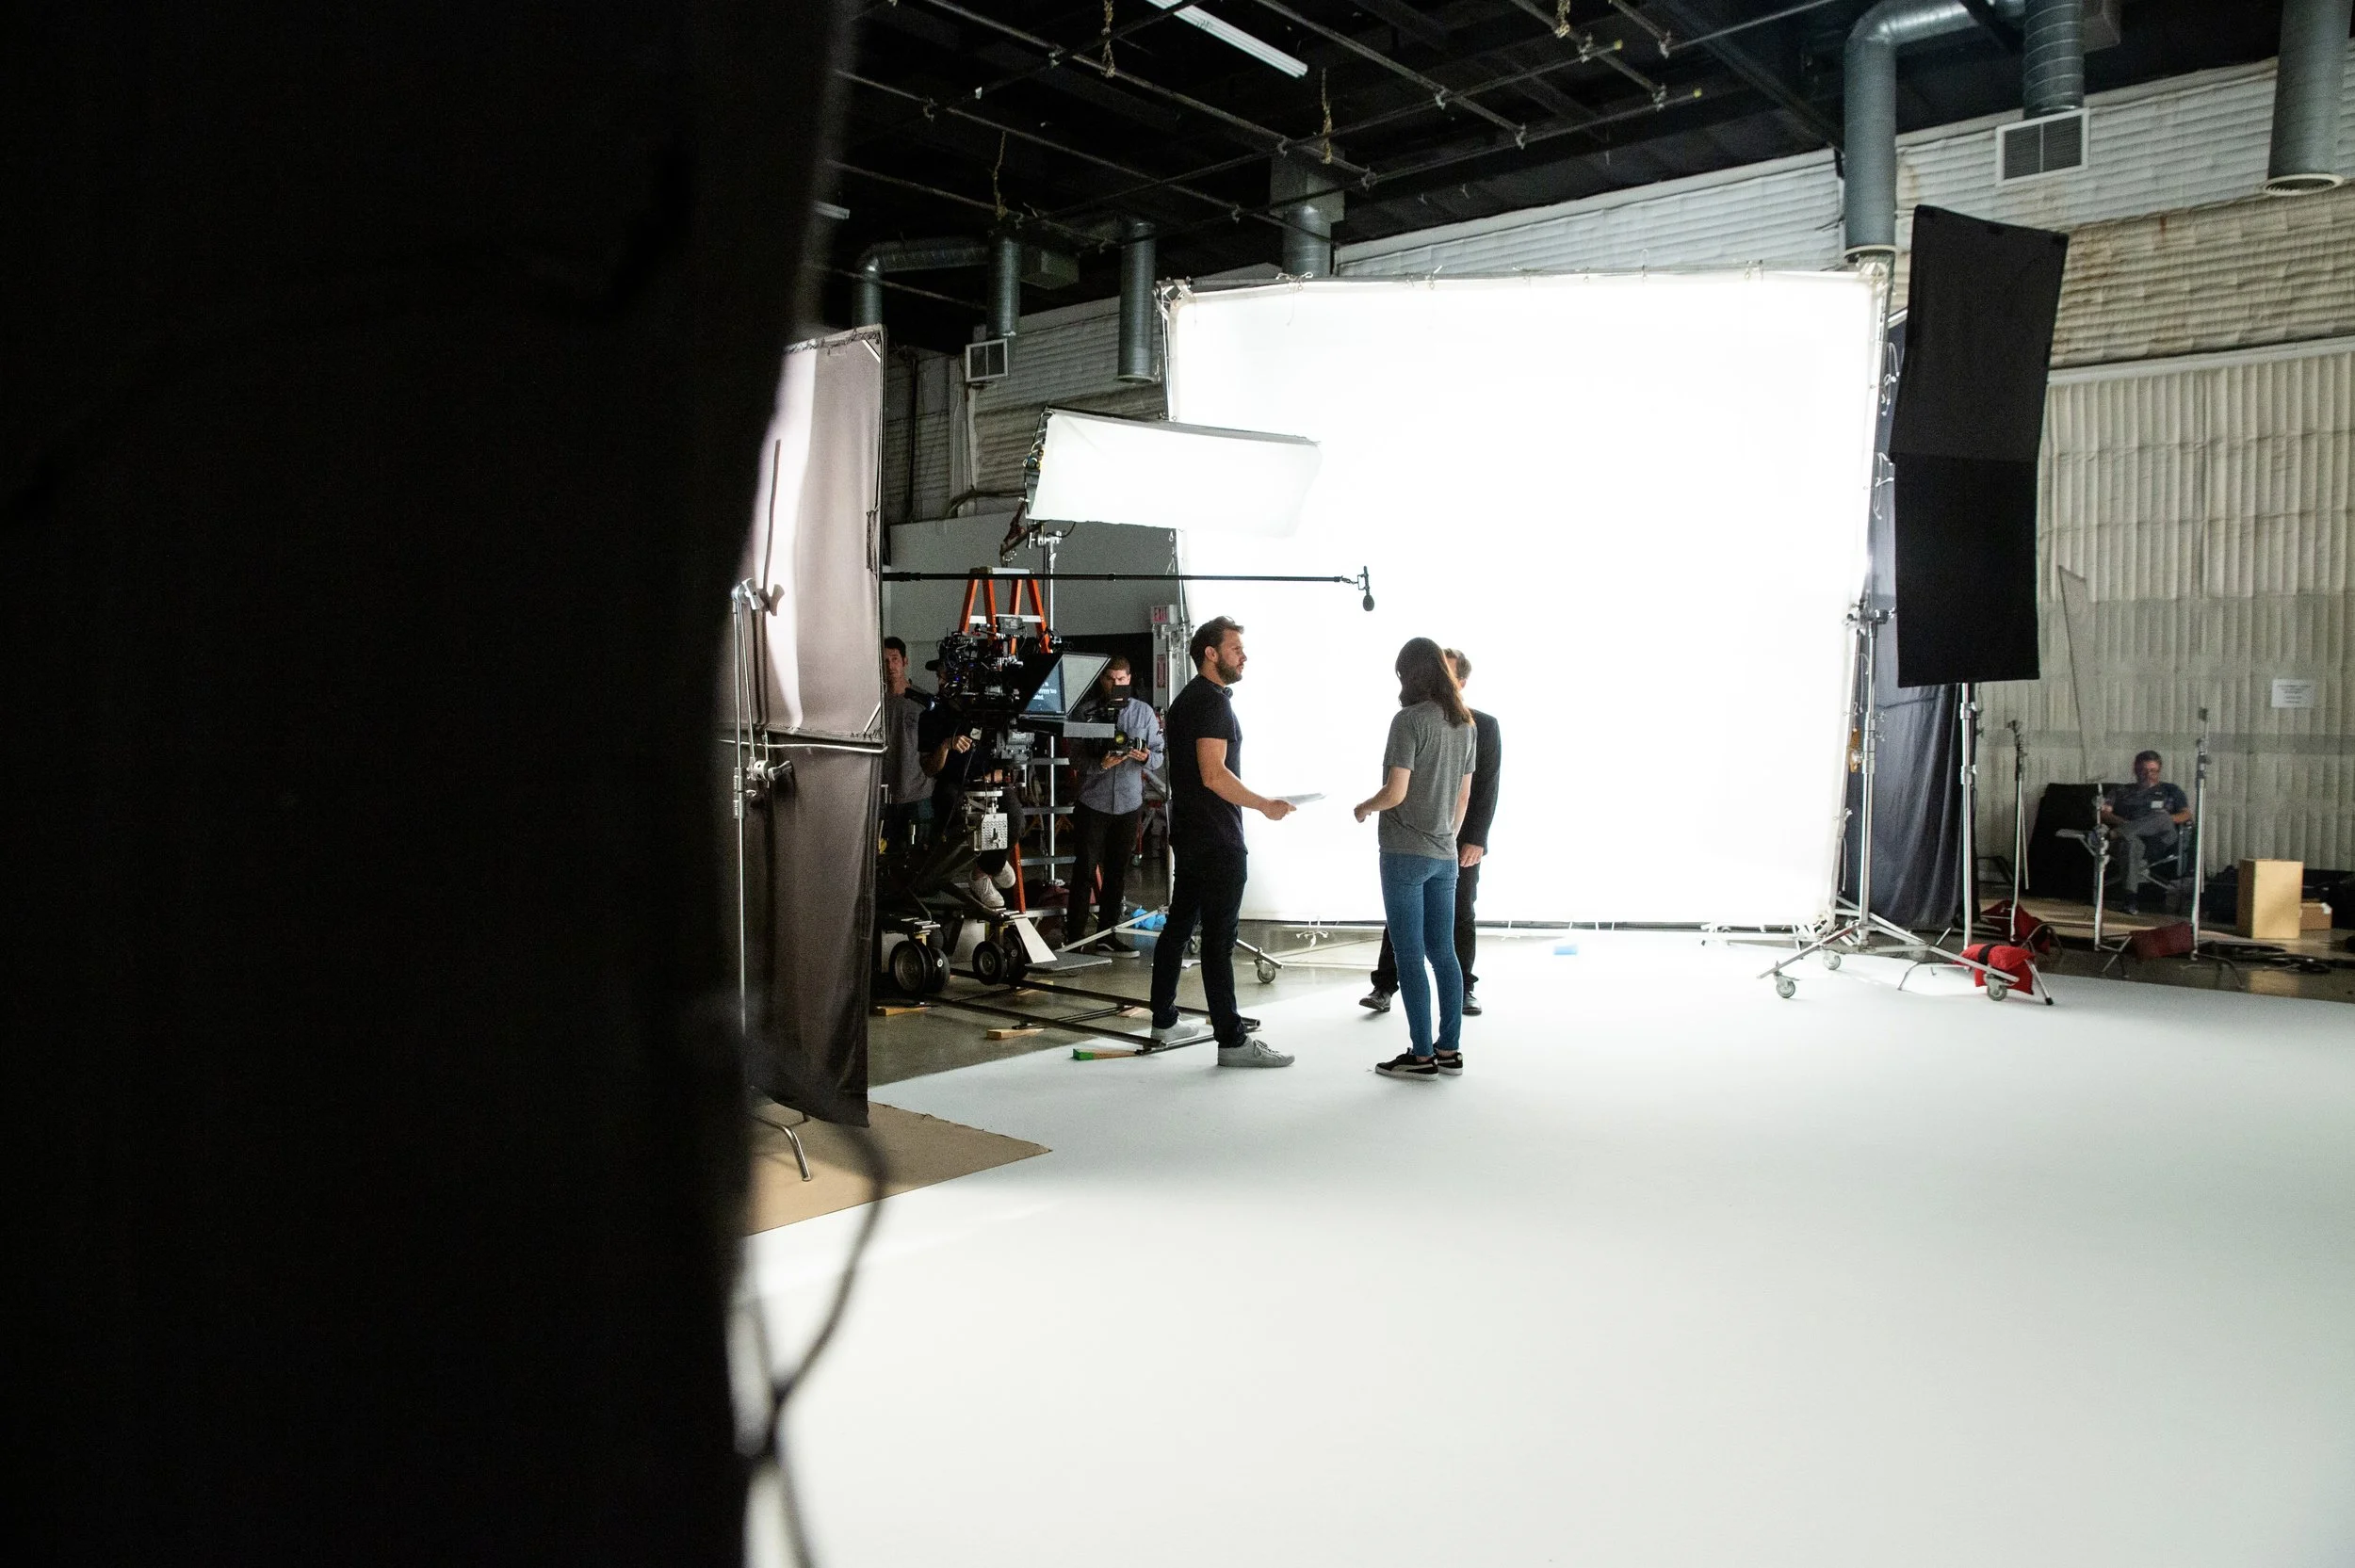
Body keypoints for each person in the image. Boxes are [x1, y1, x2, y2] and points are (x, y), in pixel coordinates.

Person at [1147, 617, 1296, 1066]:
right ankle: (1231, 1041)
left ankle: (1165, 1020)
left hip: (1191, 832)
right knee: (1217, 939)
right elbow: (1214, 775)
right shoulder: (1212, 705)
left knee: (1179, 928)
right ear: (1210, 654)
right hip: (1217, 836)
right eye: (1235, 649)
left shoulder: (1187, 701)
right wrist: (1264, 803)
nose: (1243, 656)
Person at [1353, 638, 1478, 1082]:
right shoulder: (1465, 725)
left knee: (1409, 956)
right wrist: (1447, 834)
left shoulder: (1407, 721)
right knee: (1443, 953)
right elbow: (1463, 796)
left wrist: (1366, 806)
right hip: (1444, 854)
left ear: (1410, 674)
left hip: (1404, 852)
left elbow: (1396, 792)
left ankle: (1421, 1055)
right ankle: (1450, 1049)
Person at [1362, 647, 1500, 1015]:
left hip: (1450, 841)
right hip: (1429, 838)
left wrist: (1474, 839)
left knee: (1458, 915)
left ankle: (1461, 995)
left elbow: (1483, 789)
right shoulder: (1427, 721)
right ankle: (1386, 987)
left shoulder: (1479, 725)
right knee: (1407, 923)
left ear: (1462, 682)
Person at [1066, 656, 1163, 952]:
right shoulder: (1085, 714)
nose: (1116, 684)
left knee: (1117, 873)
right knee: (1084, 870)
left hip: (1129, 803)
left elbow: (1159, 754)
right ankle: (1074, 938)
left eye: (1122, 679)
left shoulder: (1144, 713)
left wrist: (1144, 757)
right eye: (1111, 679)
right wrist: (1102, 764)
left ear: (1130, 678)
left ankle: (1108, 935)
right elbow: (1076, 759)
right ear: (1101, 679)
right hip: (1092, 802)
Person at [917, 684, 1025, 912]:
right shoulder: (932, 716)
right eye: (942, 676)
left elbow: (1012, 760)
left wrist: (996, 774)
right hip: (953, 784)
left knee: (1015, 819)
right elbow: (929, 768)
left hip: (990, 780)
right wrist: (946, 746)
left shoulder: (992, 712)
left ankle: (983, 871)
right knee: (958, 819)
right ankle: (992, 862)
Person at [2101, 749, 2190, 913]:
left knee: (2162, 816)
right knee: (2130, 844)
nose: (2148, 775)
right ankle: (2130, 899)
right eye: (2144, 770)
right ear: (2135, 770)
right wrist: (2127, 824)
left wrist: (2162, 820)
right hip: (2132, 841)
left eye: (2153, 771)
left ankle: (2114, 834)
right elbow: (2104, 812)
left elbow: (2186, 814)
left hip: (2160, 840)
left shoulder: (2171, 790)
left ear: (2159, 770)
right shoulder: (2121, 790)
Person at [878, 637, 934, 852]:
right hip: (885, 798)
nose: (890, 666)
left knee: (920, 863)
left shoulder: (923, 702)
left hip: (918, 796)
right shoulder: (876, 703)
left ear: (905, 661)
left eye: (894, 659)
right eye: (885, 661)